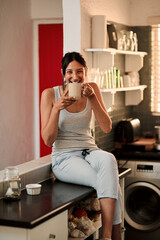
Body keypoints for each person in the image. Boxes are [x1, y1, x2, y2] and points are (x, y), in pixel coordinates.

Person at [40, 52, 122, 240]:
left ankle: (107, 235)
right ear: (63, 73)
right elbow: (48, 140)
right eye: (69, 72)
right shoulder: (50, 95)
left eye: (79, 71)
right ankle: (113, 235)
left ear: (85, 72)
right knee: (108, 181)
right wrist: (56, 109)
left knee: (109, 158)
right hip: (64, 158)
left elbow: (107, 127)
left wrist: (92, 98)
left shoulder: (92, 89)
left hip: (90, 150)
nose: (74, 76)